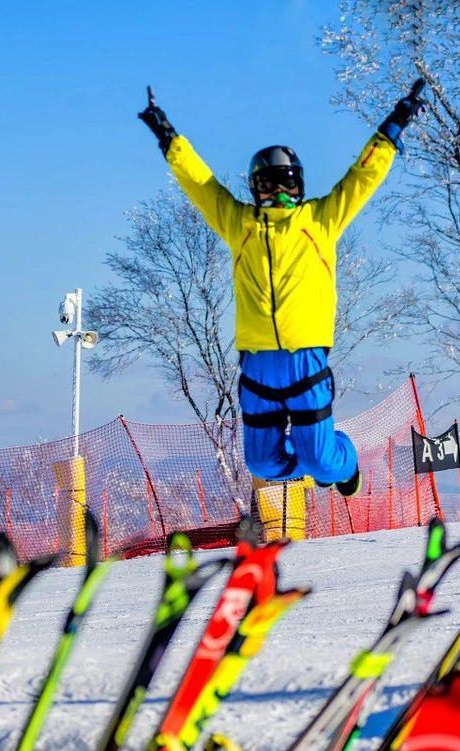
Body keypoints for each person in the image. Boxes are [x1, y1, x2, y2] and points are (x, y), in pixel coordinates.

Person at [137, 80, 426, 496]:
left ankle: (342, 464)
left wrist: (394, 124)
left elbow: (363, 176)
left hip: (305, 358)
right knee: (262, 462)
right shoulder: (240, 225)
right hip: (257, 363)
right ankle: (312, 467)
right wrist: (168, 136)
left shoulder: (320, 221)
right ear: (255, 190)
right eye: (268, 185)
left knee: (322, 460)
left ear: (300, 186)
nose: (278, 194)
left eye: (287, 184)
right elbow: (200, 185)